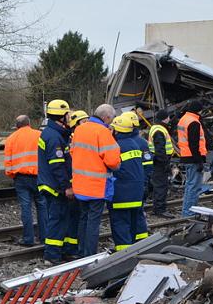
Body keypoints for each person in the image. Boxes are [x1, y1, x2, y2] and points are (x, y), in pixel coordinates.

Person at [71, 104, 121, 257]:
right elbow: (113, 161)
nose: (111, 122)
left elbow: (73, 152)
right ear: (106, 117)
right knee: (93, 222)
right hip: (96, 186)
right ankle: (89, 255)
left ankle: (81, 252)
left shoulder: (80, 129)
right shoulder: (103, 132)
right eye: (111, 119)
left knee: (83, 218)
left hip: (80, 184)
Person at [37, 99, 78, 264]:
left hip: (51, 184)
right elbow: (57, 166)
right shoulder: (54, 137)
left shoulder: (53, 133)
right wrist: (67, 186)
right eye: (67, 114)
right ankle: (52, 255)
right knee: (57, 220)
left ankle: (61, 252)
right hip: (55, 186)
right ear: (62, 116)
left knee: (60, 219)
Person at [4, 115, 46, 246]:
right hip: (39, 176)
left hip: (21, 178)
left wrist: (12, 174)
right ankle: (44, 237)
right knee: (42, 206)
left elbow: (8, 161)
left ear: (17, 125)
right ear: (29, 123)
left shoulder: (11, 138)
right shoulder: (40, 135)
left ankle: (28, 239)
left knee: (25, 208)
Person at [109, 112, 148, 251]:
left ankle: (123, 253)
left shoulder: (115, 146)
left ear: (117, 130)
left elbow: (112, 167)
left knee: (120, 223)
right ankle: (136, 248)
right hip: (136, 191)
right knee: (133, 222)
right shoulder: (135, 144)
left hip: (121, 192)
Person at [177, 100, 207, 217]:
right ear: (198, 110)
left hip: (186, 156)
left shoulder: (184, 119)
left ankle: (187, 211)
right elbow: (194, 144)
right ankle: (189, 213)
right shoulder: (194, 122)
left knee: (190, 185)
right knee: (194, 187)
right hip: (193, 158)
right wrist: (199, 160)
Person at [148, 109, 174, 219]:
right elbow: (160, 149)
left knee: (158, 185)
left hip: (157, 160)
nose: (169, 119)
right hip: (160, 161)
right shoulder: (159, 130)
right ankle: (160, 209)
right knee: (161, 185)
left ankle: (156, 208)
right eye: (168, 117)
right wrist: (165, 164)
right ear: (165, 118)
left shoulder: (156, 128)